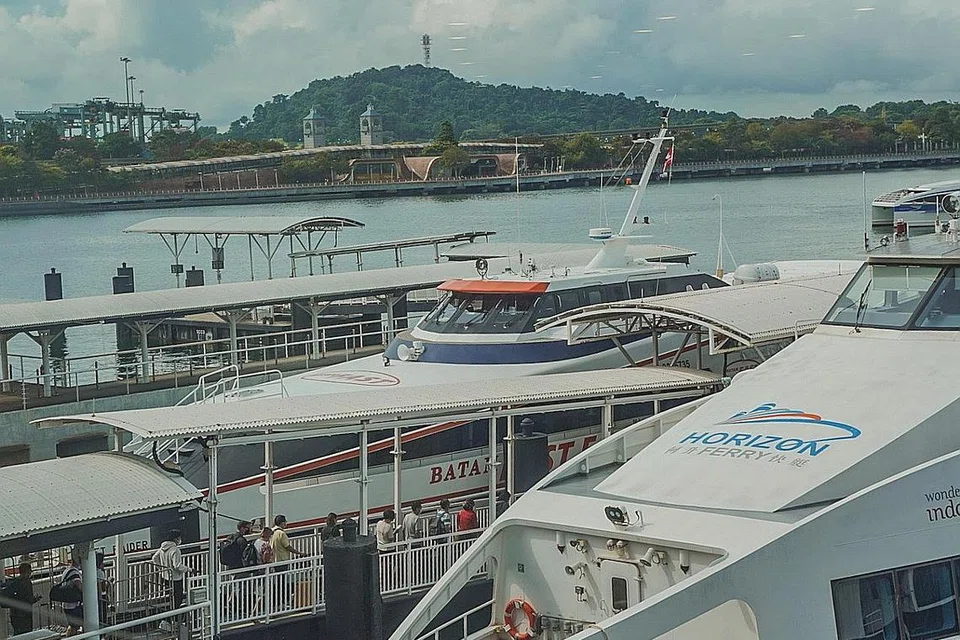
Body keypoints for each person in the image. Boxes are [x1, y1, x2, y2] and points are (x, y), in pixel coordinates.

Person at [152, 529, 190, 609]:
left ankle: (171, 616)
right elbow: (177, 566)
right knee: (178, 599)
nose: (180, 540)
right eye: (179, 538)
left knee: (170, 598)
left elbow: (154, 558)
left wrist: (161, 569)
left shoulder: (163, 547)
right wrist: (189, 569)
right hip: (176, 578)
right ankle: (174, 618)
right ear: (176, 538)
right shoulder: (175, 550)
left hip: (165, 577)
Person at [6, 562, 41, 635]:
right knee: (27, 635)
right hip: (24, 615)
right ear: (27, 572)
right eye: (29, 572)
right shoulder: (27, 582)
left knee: (18, 635)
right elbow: (29, 599)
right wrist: (36, 598)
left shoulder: (14, 581)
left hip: (14, 614)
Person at [60, 556, 83, 637]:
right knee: (74, 626)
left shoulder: (67, 570)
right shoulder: (74, 572)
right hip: (72, 604)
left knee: (73, 625)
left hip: (66, 603)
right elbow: (80, 586)